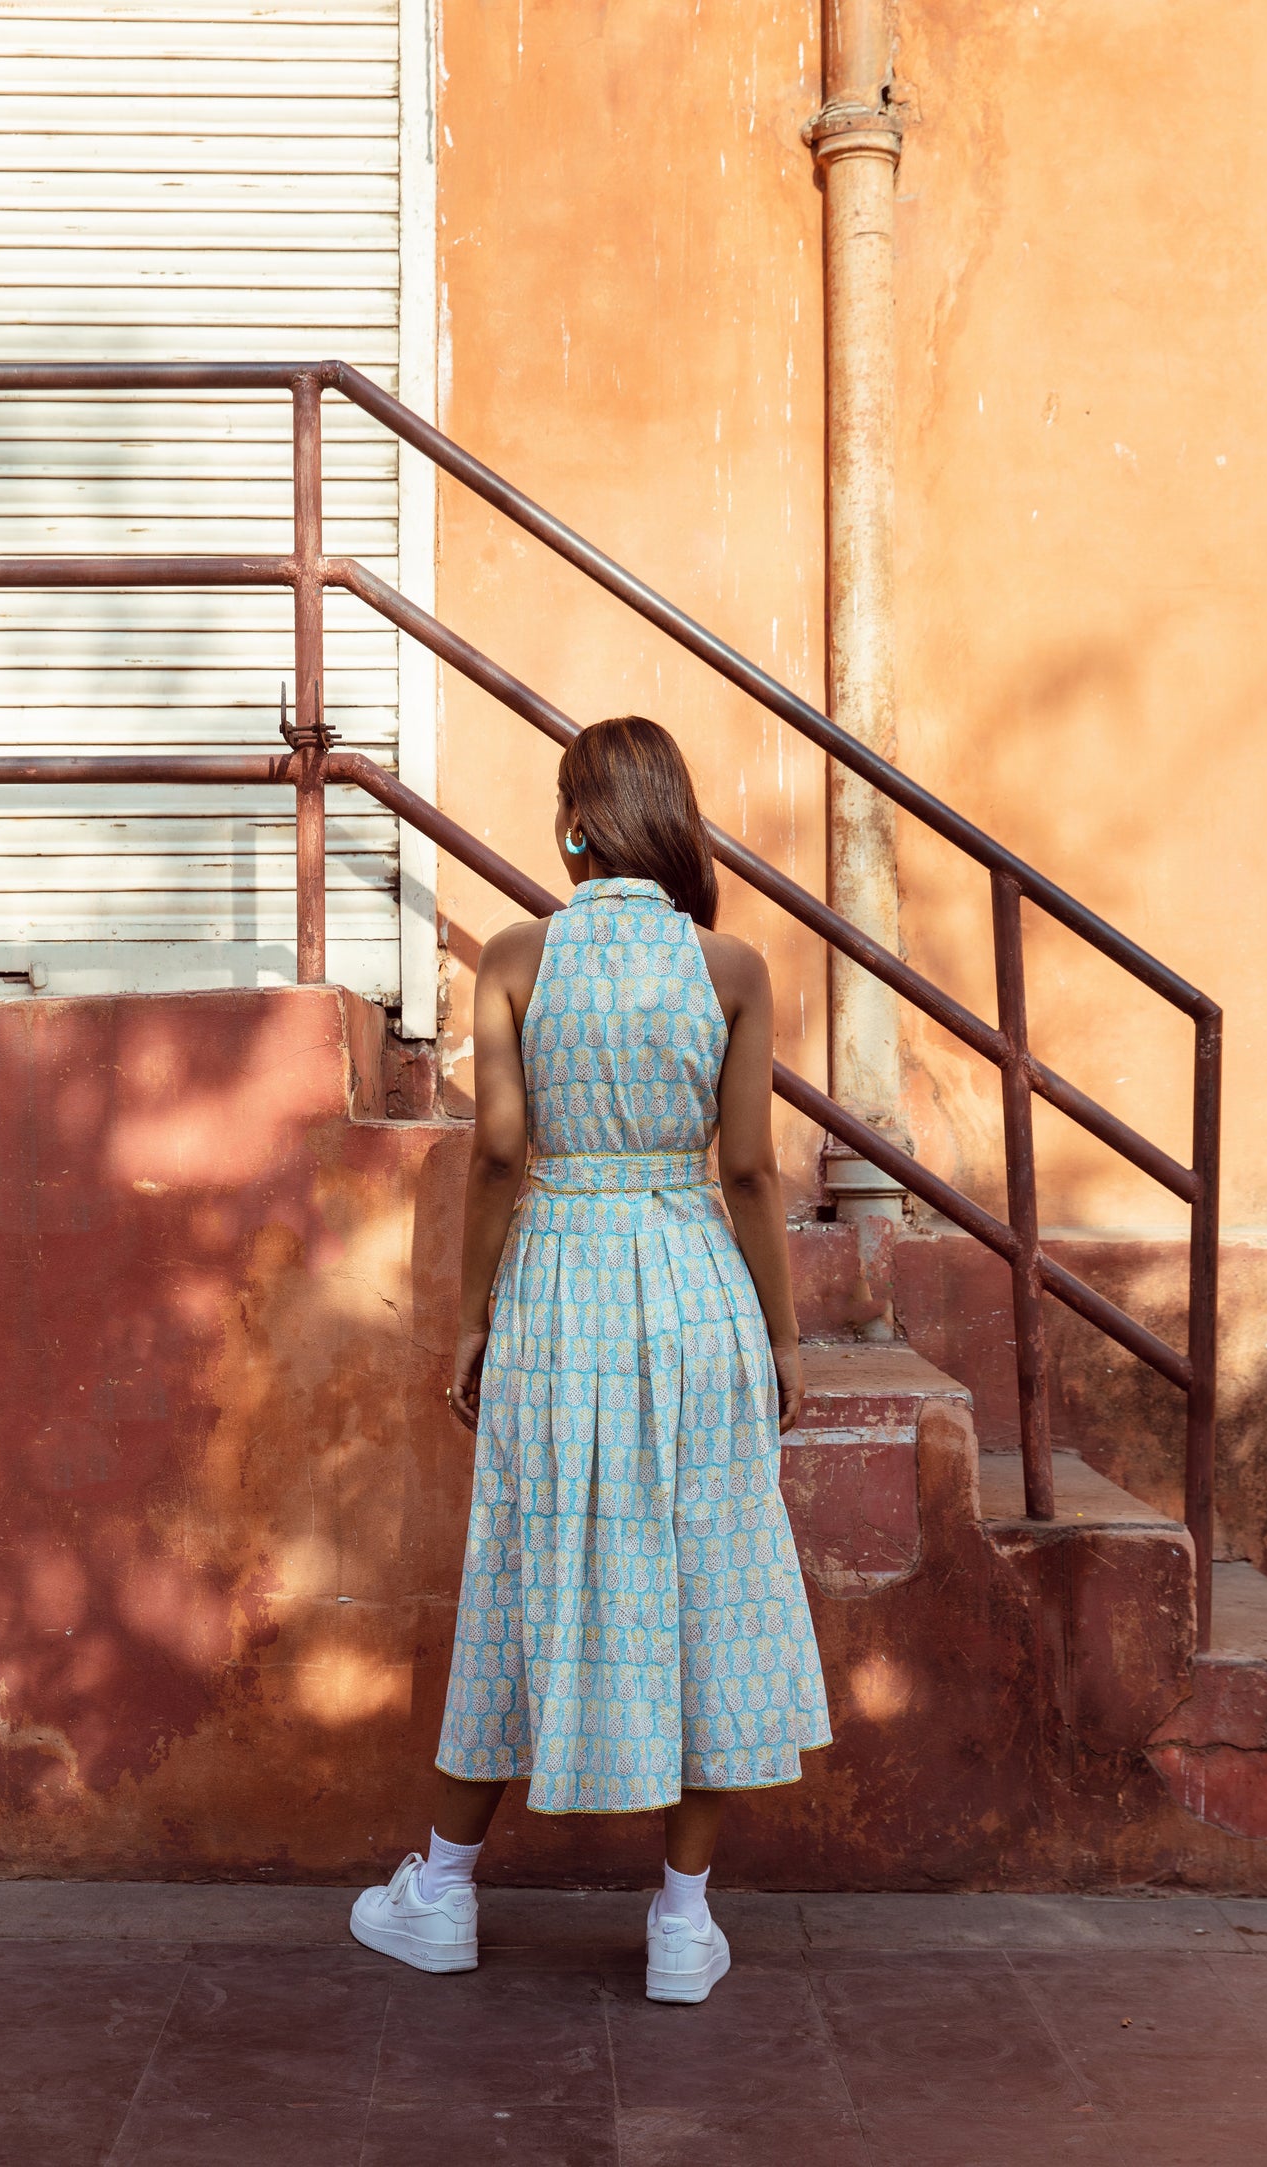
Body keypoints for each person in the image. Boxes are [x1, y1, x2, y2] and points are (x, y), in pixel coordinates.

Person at [350, 716, 831, 2003]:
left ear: (574, 827)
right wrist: (782, 1336)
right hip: (691, 1294)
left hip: (556, 1290)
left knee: (521, 1570)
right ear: (673, 825)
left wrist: (470, 1313)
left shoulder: (514, 959)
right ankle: (681, 1926)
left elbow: (498, 1151)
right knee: (703, 1584)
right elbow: (744, 1169)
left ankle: (442, 1893)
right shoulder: (728, 966)